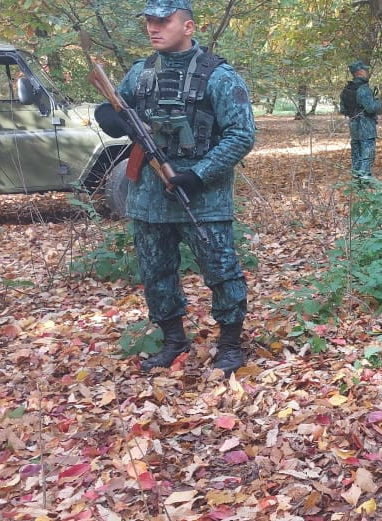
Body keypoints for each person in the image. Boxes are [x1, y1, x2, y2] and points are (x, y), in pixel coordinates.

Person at [100, 0, 256, 375]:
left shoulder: (219, 75)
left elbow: (241, 134)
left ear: (188, 27)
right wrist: (107, 116)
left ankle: (231, 343)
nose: (154, 28)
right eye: (150, 22)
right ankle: (173, 340)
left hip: (202, 198)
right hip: (148, 198)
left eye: (164, 22)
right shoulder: (139, 74)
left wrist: (198, 174)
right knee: (156, 272)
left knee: (221, 271)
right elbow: (114, 107)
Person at [342, 59, 382, 184]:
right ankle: (364, 183)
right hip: (366, 127)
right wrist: (379, 100)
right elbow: (371, 108)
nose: (367, 72)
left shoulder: (346, 90)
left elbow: (343, 109)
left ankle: (356, 181)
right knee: (367, 155)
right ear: (359, 72)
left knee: (356, 155)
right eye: (365, 70)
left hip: (353, 126)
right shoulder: (363, 89)